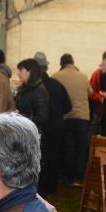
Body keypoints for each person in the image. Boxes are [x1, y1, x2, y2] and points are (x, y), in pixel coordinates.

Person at [52, 53, 92, 185]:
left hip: (66, 116)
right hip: (82, 117)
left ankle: (68, 176)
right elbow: (90, 93)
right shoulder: (83, 76)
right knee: (81, 148)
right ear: (73, 62)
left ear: (61, 64)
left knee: (68, 147)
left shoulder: (56, 76)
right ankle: (78, 176)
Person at [34, 52, 70, 195]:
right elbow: (68, 107)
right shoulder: (57, 85)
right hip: (57, 127)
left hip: (41, 129)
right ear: (46, 67)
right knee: (53, 157)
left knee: (40, 158)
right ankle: (52, 187)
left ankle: (40, 188)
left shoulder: (35, 88)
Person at [14, 58, 50, 133]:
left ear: (29, 71)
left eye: (21, 70)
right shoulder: (23, 89)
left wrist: (19, 116)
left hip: (33, 133)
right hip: (22, 131)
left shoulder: (40, 90)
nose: (18, 73)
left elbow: (42, 118)